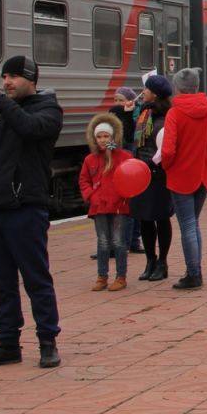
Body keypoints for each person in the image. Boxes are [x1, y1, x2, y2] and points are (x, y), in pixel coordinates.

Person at [0, 55, 63, 368]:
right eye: (4, 77)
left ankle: (47, 340)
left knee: (35, 278)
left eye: (14, 77)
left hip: (26, 208)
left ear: (31, 79)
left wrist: (0, 101)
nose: (7, 82)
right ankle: (8, 341)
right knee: (1, 281)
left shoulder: (48, 110)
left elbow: (29, 128)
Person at [161, 68, 207, 289]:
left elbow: (168, 149)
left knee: (187, 225)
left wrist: (168, 165)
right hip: (202, 176)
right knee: (194, 224)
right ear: (197, 86)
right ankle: (195, 269)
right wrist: (206, 158)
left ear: (177, 88)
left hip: (181, 177)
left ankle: (193, 273)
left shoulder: (175, 113)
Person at [80, 113, 134, 292]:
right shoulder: (90, 159)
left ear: (113, 136)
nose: (103, 140)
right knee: (103, 242)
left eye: (106, 136)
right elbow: (84, 180)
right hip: (99, 207)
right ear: (94, 139)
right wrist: (91, 196)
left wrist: (125, 195)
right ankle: (102, 276)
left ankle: (121, 277)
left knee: (119, 242)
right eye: (99, 136)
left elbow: (133, 176)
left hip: (119, 206)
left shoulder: (123, 156)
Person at [129, 73, 175, 282]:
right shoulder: (144, 114)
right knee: (144, 219)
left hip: (159, 175)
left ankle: (162, 262)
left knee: (161, 218)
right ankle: (150, 261)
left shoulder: (167, 117)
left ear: (154, 94)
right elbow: (134, 140)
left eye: (146, 89)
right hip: (141, 174)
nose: (143, 92)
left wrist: (150, 164)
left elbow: (165, 147)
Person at [109, 86, 143, 255]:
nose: (117, 104)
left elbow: (129, 137)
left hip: (129, 162)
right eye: (115, 100)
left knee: (129, 205)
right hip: (117, 161)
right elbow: (111, 143)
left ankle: (129, 242)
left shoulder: (133, 117)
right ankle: (127, 242)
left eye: (121, 100)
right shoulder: (115, 117)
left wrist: (126, 114)